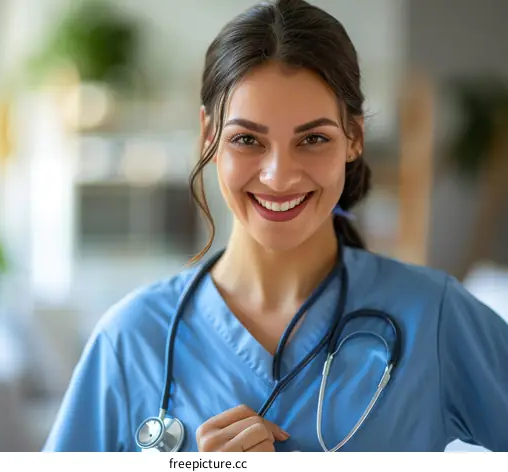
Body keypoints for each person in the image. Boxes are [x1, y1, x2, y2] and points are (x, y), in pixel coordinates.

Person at [42, 0, 508, 452]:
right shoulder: (132, 341)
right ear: (208, 135)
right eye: (247, 139)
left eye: (313, 139)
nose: (278, 175)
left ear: (354, 139)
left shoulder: (433, 320)